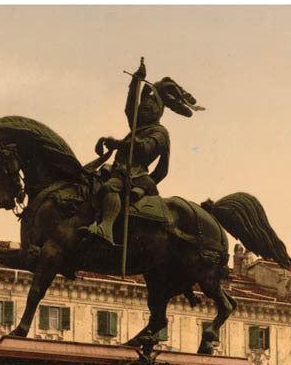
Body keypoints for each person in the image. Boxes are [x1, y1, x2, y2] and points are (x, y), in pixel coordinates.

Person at [81, 58, 202, 246]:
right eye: (143, 106)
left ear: (158, 111)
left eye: (149, 107)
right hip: (119, 169)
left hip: (135, 175)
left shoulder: (160, 132)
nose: (143, 109)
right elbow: (129, 107)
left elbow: (145, 148)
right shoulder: (137, 126)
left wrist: (119, 144)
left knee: (110, 187)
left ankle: (106, 228)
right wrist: (136, 80)